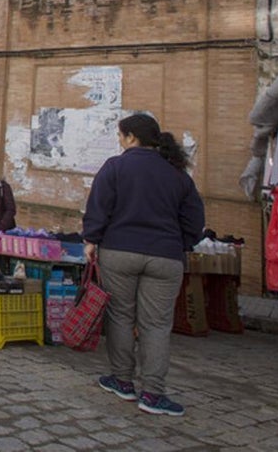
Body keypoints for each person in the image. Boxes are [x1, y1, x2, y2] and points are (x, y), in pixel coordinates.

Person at [83, 114, 205, 417]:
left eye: (120, 135)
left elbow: (99, 206)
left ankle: (122, 381)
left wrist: (91, 239)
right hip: (165, 255)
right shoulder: (178, 175)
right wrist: (181, 243)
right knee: (157, 325)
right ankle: (153, 393)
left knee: (121, 317)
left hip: (119, 251)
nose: (119, 140)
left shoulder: (115, 167)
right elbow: (195, 222)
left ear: (131, 137)